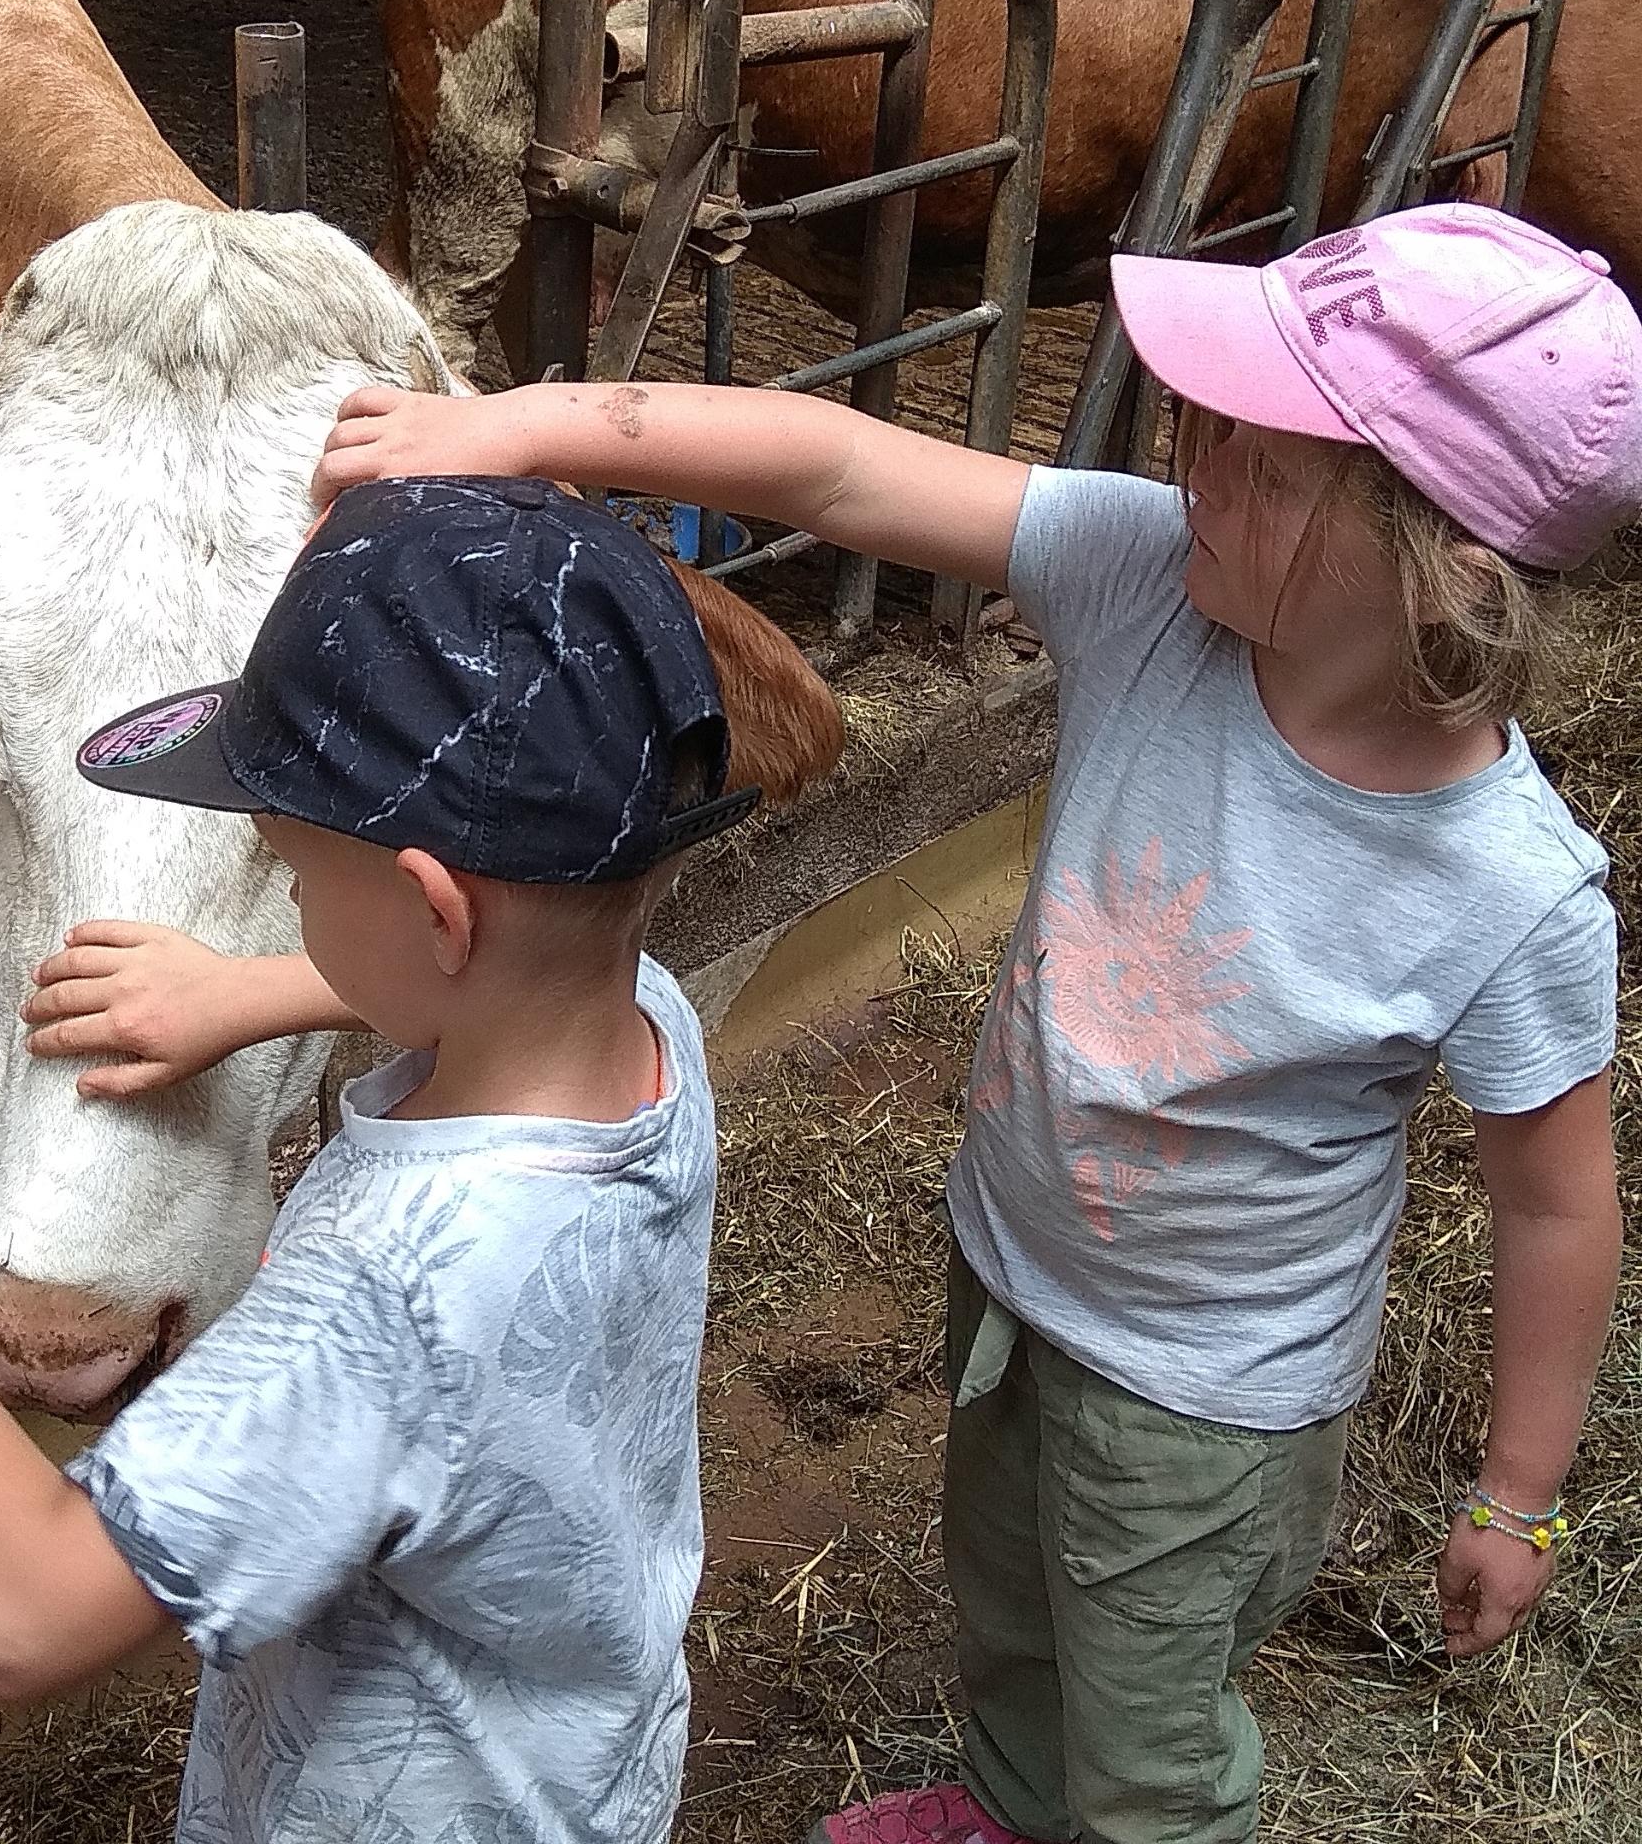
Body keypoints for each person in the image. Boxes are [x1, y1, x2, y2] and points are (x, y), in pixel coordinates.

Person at [306, 204, 1633, 1844]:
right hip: (1011, 1264)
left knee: (1147, 1742)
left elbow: (1556, 1203)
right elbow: (838, 468)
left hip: (1207, 1398)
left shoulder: (1512, 892)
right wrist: (515, 425)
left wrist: (1520, 1494)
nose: (1186, 452)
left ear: (1447, 568)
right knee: (1008, 1607)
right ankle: (1011, 1805)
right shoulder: (1158, 578)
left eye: (1253, 448)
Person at [0, 475, 759, 1844]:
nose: (283, 893)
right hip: (583, 1752)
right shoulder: (649, 1028)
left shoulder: (375, 1307)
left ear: (433, 912)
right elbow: (499, 963)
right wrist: (258, 991)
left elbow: (25, 1618)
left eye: (287, 865)